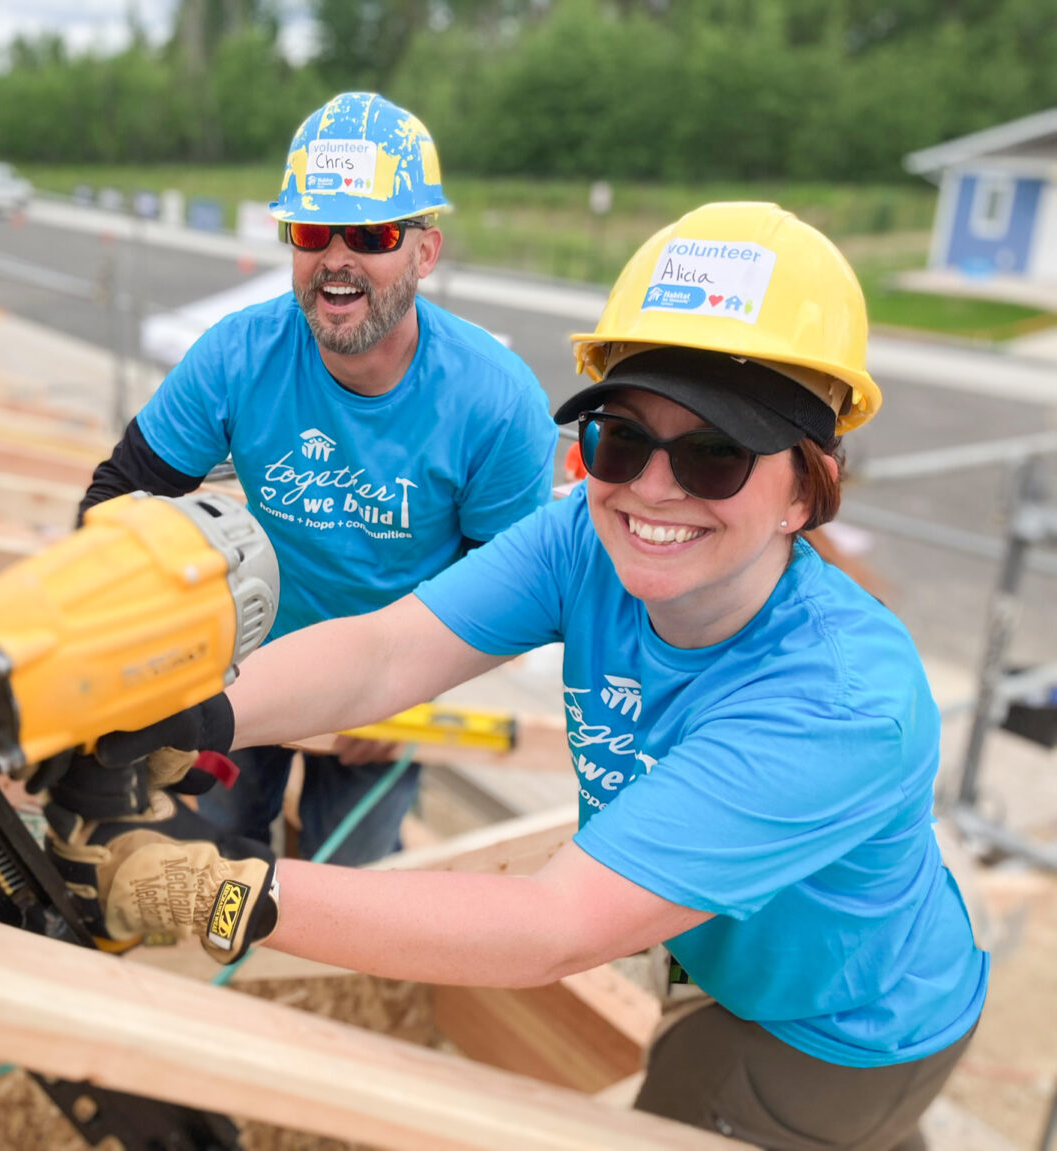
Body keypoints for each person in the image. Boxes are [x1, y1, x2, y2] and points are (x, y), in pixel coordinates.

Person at [53, 202, 989, 1150]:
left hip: (837, 1030)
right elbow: (387, 650)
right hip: (734, 951)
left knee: (696, 1102)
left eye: (717, 455)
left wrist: (211, 890)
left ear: (807, 489)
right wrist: (197, 717)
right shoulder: (586, 535)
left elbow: (552, 924)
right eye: (622, 439)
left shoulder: (838, 703)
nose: (652, 488)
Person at [76, 92, 556, 865]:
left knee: (350, 888)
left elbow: (512, 591)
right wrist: (161, 652)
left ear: (425, 252)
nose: (336, 257)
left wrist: (410, 686)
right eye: (311, 232)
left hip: (387, 692)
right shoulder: (239, 355)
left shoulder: (496, 403)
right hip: (240, 667)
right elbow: (114, 502)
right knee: (211, 869)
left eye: (370, 234)